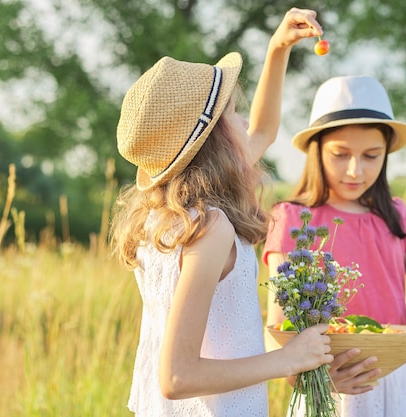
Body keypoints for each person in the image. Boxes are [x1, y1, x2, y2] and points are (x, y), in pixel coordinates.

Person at [109, 8, 335, 417]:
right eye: (231, 112)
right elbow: (177, 377)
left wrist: (278, 48)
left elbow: (264, 130)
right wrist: (289, 359)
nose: (244, 120)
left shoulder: (163, 216)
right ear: (213, 143)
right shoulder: (209, 228)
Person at [263, 75, 406, 417]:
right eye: (341, 154)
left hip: (390, 383)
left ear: (386, 155)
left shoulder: (395, 214)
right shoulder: (292, 218)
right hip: (322, 383)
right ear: (316, 149)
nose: (355, 170)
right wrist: (310, 380)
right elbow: (279, 331)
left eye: (371, 155)